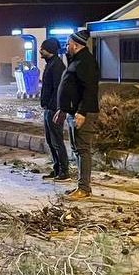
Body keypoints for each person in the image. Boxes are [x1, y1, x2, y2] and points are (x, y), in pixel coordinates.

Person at [54, 30, 99, 201]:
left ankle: (84, 189)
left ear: (75, 45)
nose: (66, 46)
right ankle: (81, 186)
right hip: (74, 112)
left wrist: (82, 112)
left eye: (67, 44)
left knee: (83, 150)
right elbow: (70, 87)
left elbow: (90, 89)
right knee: (77, 149)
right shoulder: (76, 61)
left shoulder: (86, 62)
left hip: (83, 113)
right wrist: (63, 108)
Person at [38, 38, 69, 181]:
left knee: (57, 141)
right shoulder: (51, 64)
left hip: (54, 110)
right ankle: (57, 169)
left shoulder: (57, 66)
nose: (40, 51)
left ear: (49, 50)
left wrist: (56, 108)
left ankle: (64, 171)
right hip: (48, 109)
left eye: (42, 48)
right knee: (51, 141)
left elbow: (59, 89)